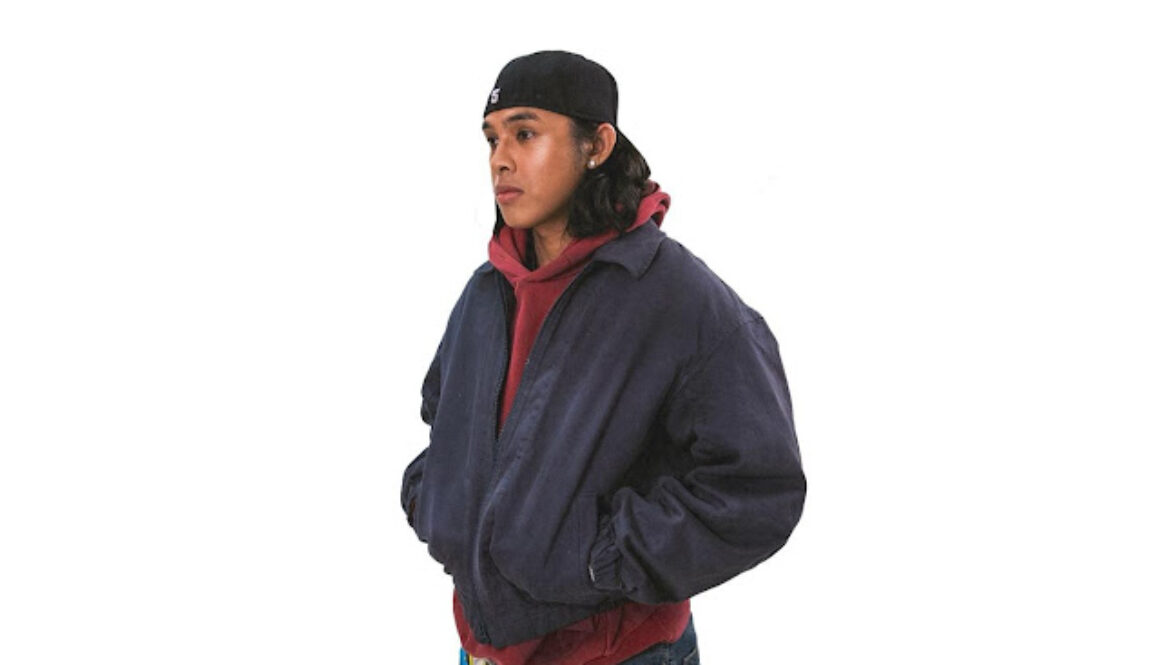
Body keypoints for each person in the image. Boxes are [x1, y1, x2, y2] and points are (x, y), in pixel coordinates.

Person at [401, 50, 806, 665]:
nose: (500, 159)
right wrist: (440, 507)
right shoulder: (487, 292)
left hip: (620, 654)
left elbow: (757, 487)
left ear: (597, 145)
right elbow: (445, 422)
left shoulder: (677, 298)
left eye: (526, 134)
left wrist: (602, 555)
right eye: (492, 138)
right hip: (482, 651)